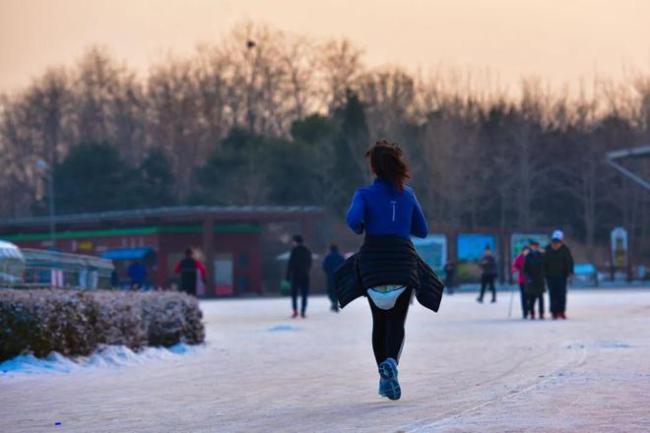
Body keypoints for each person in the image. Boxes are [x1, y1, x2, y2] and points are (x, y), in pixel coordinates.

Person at [337, 139, 443, 401]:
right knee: (397, 320)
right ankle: (391, 365)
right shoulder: (408, 194)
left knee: (379, 321)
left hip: (373, 262)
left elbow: (353, 222)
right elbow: (422, 230)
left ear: (374, 167)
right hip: (402, 262)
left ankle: (383, 372)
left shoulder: (363, 194)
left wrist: (365, 224)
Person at [544, 230, 574, 320]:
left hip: (562, 276)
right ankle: (554, 312)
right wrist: (544, 274)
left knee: (561, 294)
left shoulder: (565, 249)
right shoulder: (547, 249)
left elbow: (569, 261)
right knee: (553, 294)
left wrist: (570, 272)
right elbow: (544, 262)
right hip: (550, 276)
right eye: (555, 241)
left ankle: (561, 311)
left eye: (558, 241)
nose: (556, 243)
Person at [286, 235, 312, 318]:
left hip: (295, 275)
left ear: (295, 242)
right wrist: (306, 270)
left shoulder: (294, 251)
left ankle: (295, 311)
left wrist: (288, 275)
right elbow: (309, 263)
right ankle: (303, 311)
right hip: (305, 275)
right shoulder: (307, 251)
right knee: (304, 294)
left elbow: (291, 264)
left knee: (294, 294)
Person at [524, 241, 545, 319]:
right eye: (533, 246)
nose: (535, 247)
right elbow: (525, 269)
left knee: (540, 297)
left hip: (540, 278)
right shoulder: (528, 256)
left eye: (536, 246)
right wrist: (528, 277)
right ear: (531, 247)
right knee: (532, 297)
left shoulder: (541, 255)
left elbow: (545, 265)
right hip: (531, 279)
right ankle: (532, 313)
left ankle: (541, 313)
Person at [322, 244, 345, 312]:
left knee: (330, 291)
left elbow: (324, 266)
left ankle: (334, 302)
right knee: (337, 291)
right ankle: (336, 303)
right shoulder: (341, 257)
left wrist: (328, 272)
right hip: (339, 277)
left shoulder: (328, 257)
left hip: (330, 276)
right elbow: (344, 266)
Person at [511, 246, 530, 318]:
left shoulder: (531, 257)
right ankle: (525, 312)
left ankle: (529, 309)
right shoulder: (519, 258)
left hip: (529, 280)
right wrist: (515, 270)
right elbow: (514, 266)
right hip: (522, 280)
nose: (526, 252)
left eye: (527, 251)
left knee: (530, 296)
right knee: (524, 296)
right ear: (522, 251)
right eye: (524, 251)